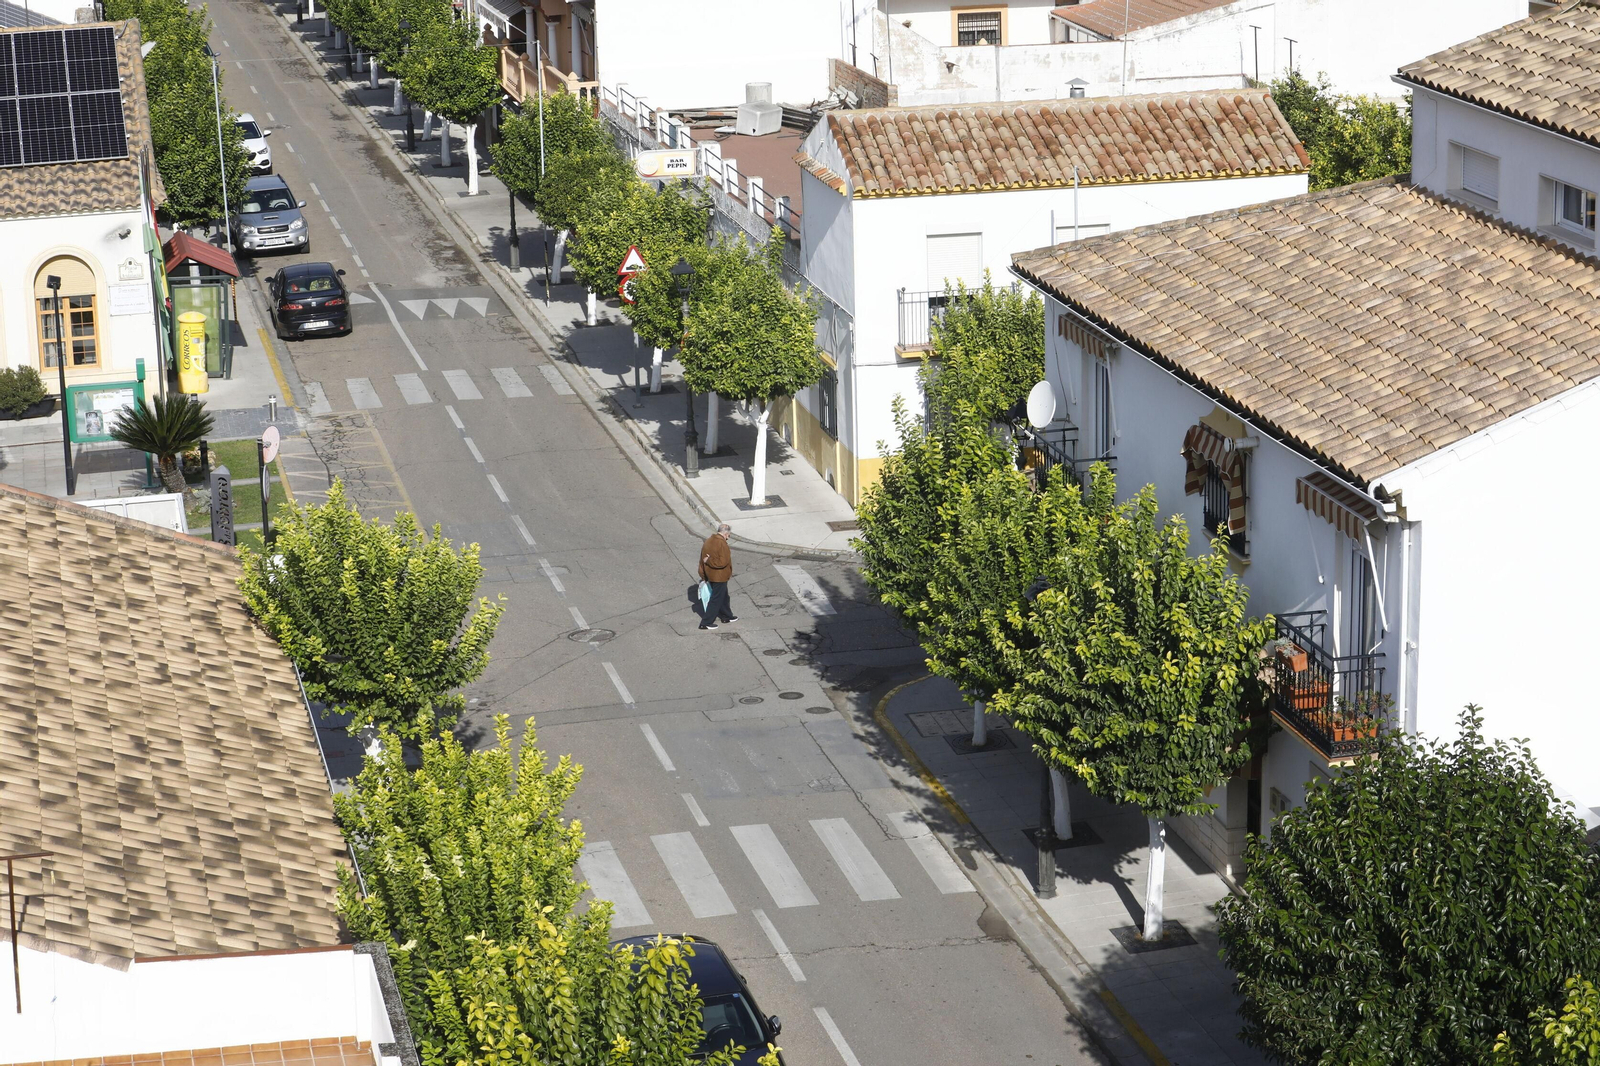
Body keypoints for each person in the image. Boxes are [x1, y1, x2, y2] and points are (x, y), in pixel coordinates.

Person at [697, 523, 738, 630]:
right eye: (729, 535)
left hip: (710, 575)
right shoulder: (722, 544)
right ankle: (706, 622)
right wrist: (709, 560)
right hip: (719, 577)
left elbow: (702, 559)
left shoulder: (709, 540)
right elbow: (722, 562)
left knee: (724, 596)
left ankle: (727, 616)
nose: (728, 537)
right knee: (716, 599)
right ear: (726, 534)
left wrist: (703, 575)